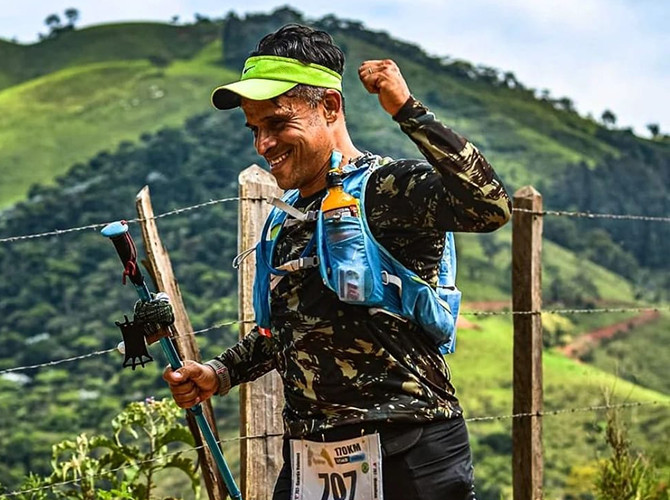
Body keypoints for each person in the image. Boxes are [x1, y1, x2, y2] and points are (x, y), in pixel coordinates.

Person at [142, 24, 511, 500]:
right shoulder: (288, 219)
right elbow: (290, 330)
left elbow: (490, 206)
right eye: (255, 129)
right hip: (312, 463)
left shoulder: (385, 190)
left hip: (409, 452)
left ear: (330, 108)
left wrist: (407, 111)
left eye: (277, 123)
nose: (263, 144)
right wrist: (219, 373)